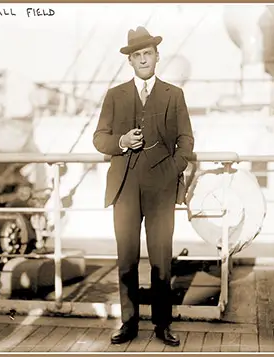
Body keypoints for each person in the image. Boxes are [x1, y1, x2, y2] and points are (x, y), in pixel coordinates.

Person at [92, 26, 194, 346]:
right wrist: (121, 141)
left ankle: (162, 325)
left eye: (147, 54)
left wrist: (172, 169)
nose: (143, 60)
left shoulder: (173, 94)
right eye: (137, 55)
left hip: (161, 186)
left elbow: (186, 140)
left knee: (162, 258)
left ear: (156, 56)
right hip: (124, 187)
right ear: (130, 61)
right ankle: (129, 323)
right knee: (127, 258)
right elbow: (99, 138)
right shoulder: (115, 95)